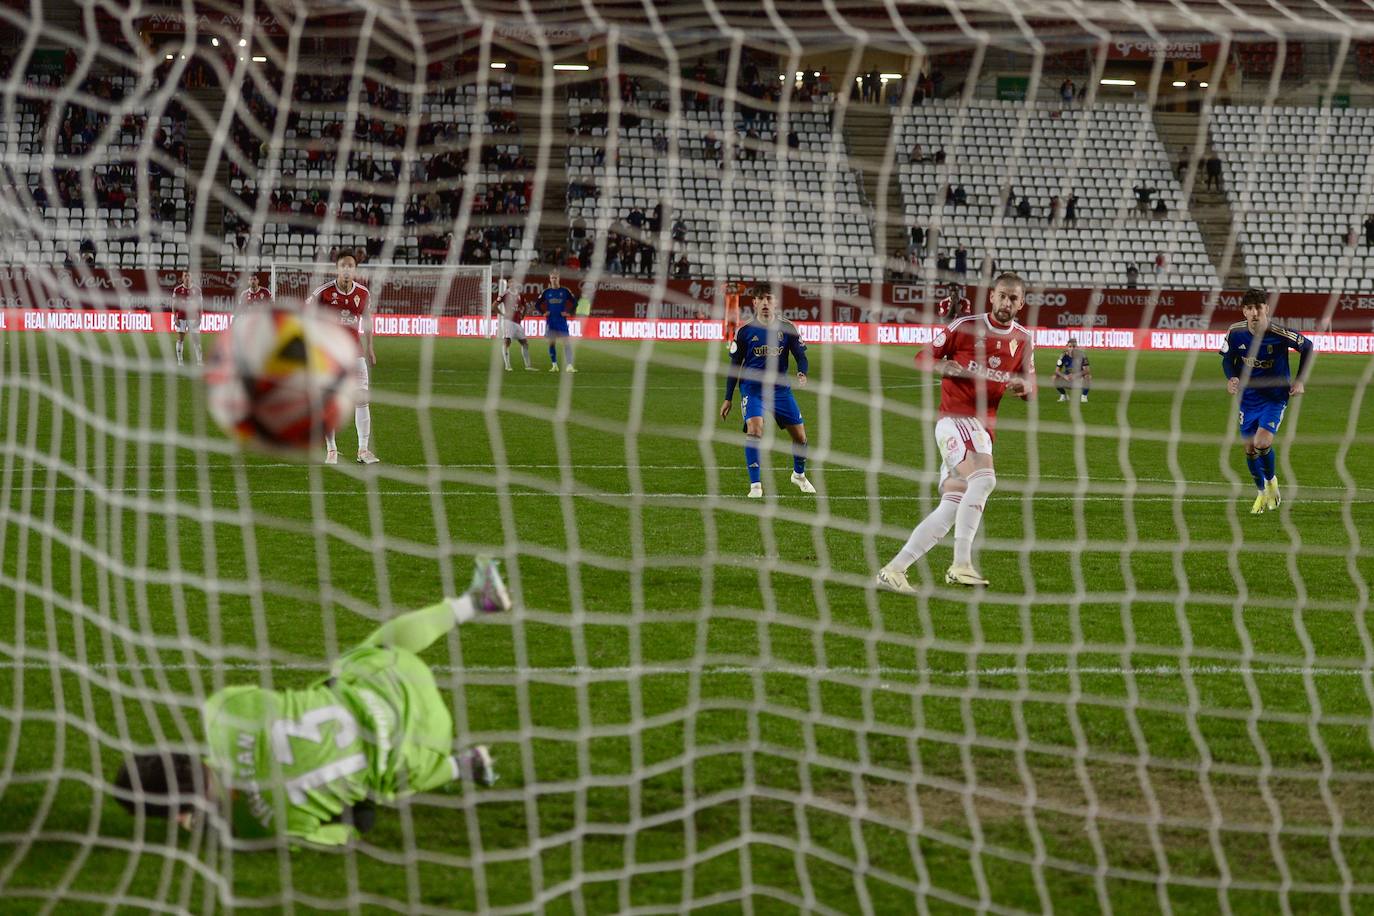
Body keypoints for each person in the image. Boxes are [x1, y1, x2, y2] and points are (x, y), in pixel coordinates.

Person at [112, 558, 511, 847]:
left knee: (378, 789)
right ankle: (474, 603)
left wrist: (350, 822)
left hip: (425, 749)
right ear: (178, 755)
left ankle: (465, 764)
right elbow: (270, 701)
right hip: (395, 683)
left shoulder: (257, 828)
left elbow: (339, 837)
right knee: (366, 653)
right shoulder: (221, 714)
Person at [877, 272, 1034, 591]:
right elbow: (923, 357)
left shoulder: (1024, 339)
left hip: (982, 430)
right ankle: (961, 564)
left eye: (1013, 298)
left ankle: (894, 570)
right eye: (1002, 296)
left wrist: (1023, 387)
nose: (1007, 303)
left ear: (1022, 303)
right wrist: (940, 366)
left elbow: (1030, 386)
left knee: (952, 506)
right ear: (991, 296)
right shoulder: (964, 325)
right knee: (986, 479)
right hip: (955, 418)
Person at [1221, 288, 1313, 513]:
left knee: (1262, 443)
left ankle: (1272, 481)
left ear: (1266, 309)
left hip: (1274, 397)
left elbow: (1307, 346)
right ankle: (1262, 493)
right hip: (1248, 398)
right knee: (1250, 449)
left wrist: (1300, 380)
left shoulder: (1279, 333)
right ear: (1244, 311)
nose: (1254, 313)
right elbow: (1227, 358)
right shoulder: (1235, 333)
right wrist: (1231, 377)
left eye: (1259, 308)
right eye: (1250, 308)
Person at [719, 285, 813, 499]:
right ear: (754, 303)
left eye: (768, 298)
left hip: (780, 390)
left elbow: (801, 356)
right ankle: (756, 486)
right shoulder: (744, 331)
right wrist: (728, 398)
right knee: (755, 428)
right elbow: (734, 367)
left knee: (800, 437)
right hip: (752, 390)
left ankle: (798, 475)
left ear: (776, 302)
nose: (764, 303)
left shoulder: (788, 328)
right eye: (760, 299)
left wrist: (802, 372)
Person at [308, 250, 379, 465]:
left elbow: (366, 320)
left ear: (355, 269)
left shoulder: (363, 293)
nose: (347, 269)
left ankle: (363, 450)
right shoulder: (323, 292)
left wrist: (371, 347)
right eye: (343, 266)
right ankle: (331, 450)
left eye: (351, 266)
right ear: (337, 269)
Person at [538, 269, 577, 372]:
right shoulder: (546, 292)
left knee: (566, 342)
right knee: (551, 343)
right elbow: (537, 304)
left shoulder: (565, 291)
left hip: (561, 321)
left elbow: (575, 302)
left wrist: (569, 312)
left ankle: (569, 366)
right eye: (552, 278)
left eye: (555, 278)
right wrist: (543, 312)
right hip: (550, 321)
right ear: (550, 279)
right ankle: (554, 365)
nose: (554, 279)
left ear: (559, 278)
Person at [495, 278, 534, 371]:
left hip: (517, 323)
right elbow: (494, 305)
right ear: (508, 284)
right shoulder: (505, 294)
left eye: (515, 282)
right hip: (508, 322)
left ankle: (528, 366)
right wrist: (503, 314)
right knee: (507, 342)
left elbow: (525, 306)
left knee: (525, 343)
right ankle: (507, 366)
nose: (513, 283)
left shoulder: (520, 294)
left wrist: (523, 315)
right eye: (511, 282)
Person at [169, 271, 202, 366]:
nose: (187, 277)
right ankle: (180, 361)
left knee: (196, 339)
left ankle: (199, 361)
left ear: (191, 278)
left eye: (189, 276)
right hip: (181, 318)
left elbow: (200, 305)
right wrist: (175, 317)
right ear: (182, 278)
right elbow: (174, 305)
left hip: (193, 318)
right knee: (180, 339)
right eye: (185, 276)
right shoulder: (178, 289)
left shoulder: (197, 290)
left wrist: (200, 318)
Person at [1053, 337, 1091, 402]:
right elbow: (1057, 371)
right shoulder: (1063, 356)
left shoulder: (1082, 355)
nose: (1072, 348)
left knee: (1088, 377)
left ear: (1077, 347)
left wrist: (1075, 375)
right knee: (1054, 378)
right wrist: (1064, 376)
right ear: (1067, 347)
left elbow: (1087, 370)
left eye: (1074, 346)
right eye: (1070, 346)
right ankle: (1064, 396)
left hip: (1079, 378)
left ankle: (1084, 396)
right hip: (1068, 378)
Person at [722, 281, 742, 346]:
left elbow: (743, 288)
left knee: (735, 330)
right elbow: (722, 288)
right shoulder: (727, 295)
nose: (732, 290)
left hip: (735, 315)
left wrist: (737, 285)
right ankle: (728, 342)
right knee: (727, 329)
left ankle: (733, 342)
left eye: (734, 288)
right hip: (728, 314)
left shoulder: (737, 295)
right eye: (731, 288)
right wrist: (727, 284)